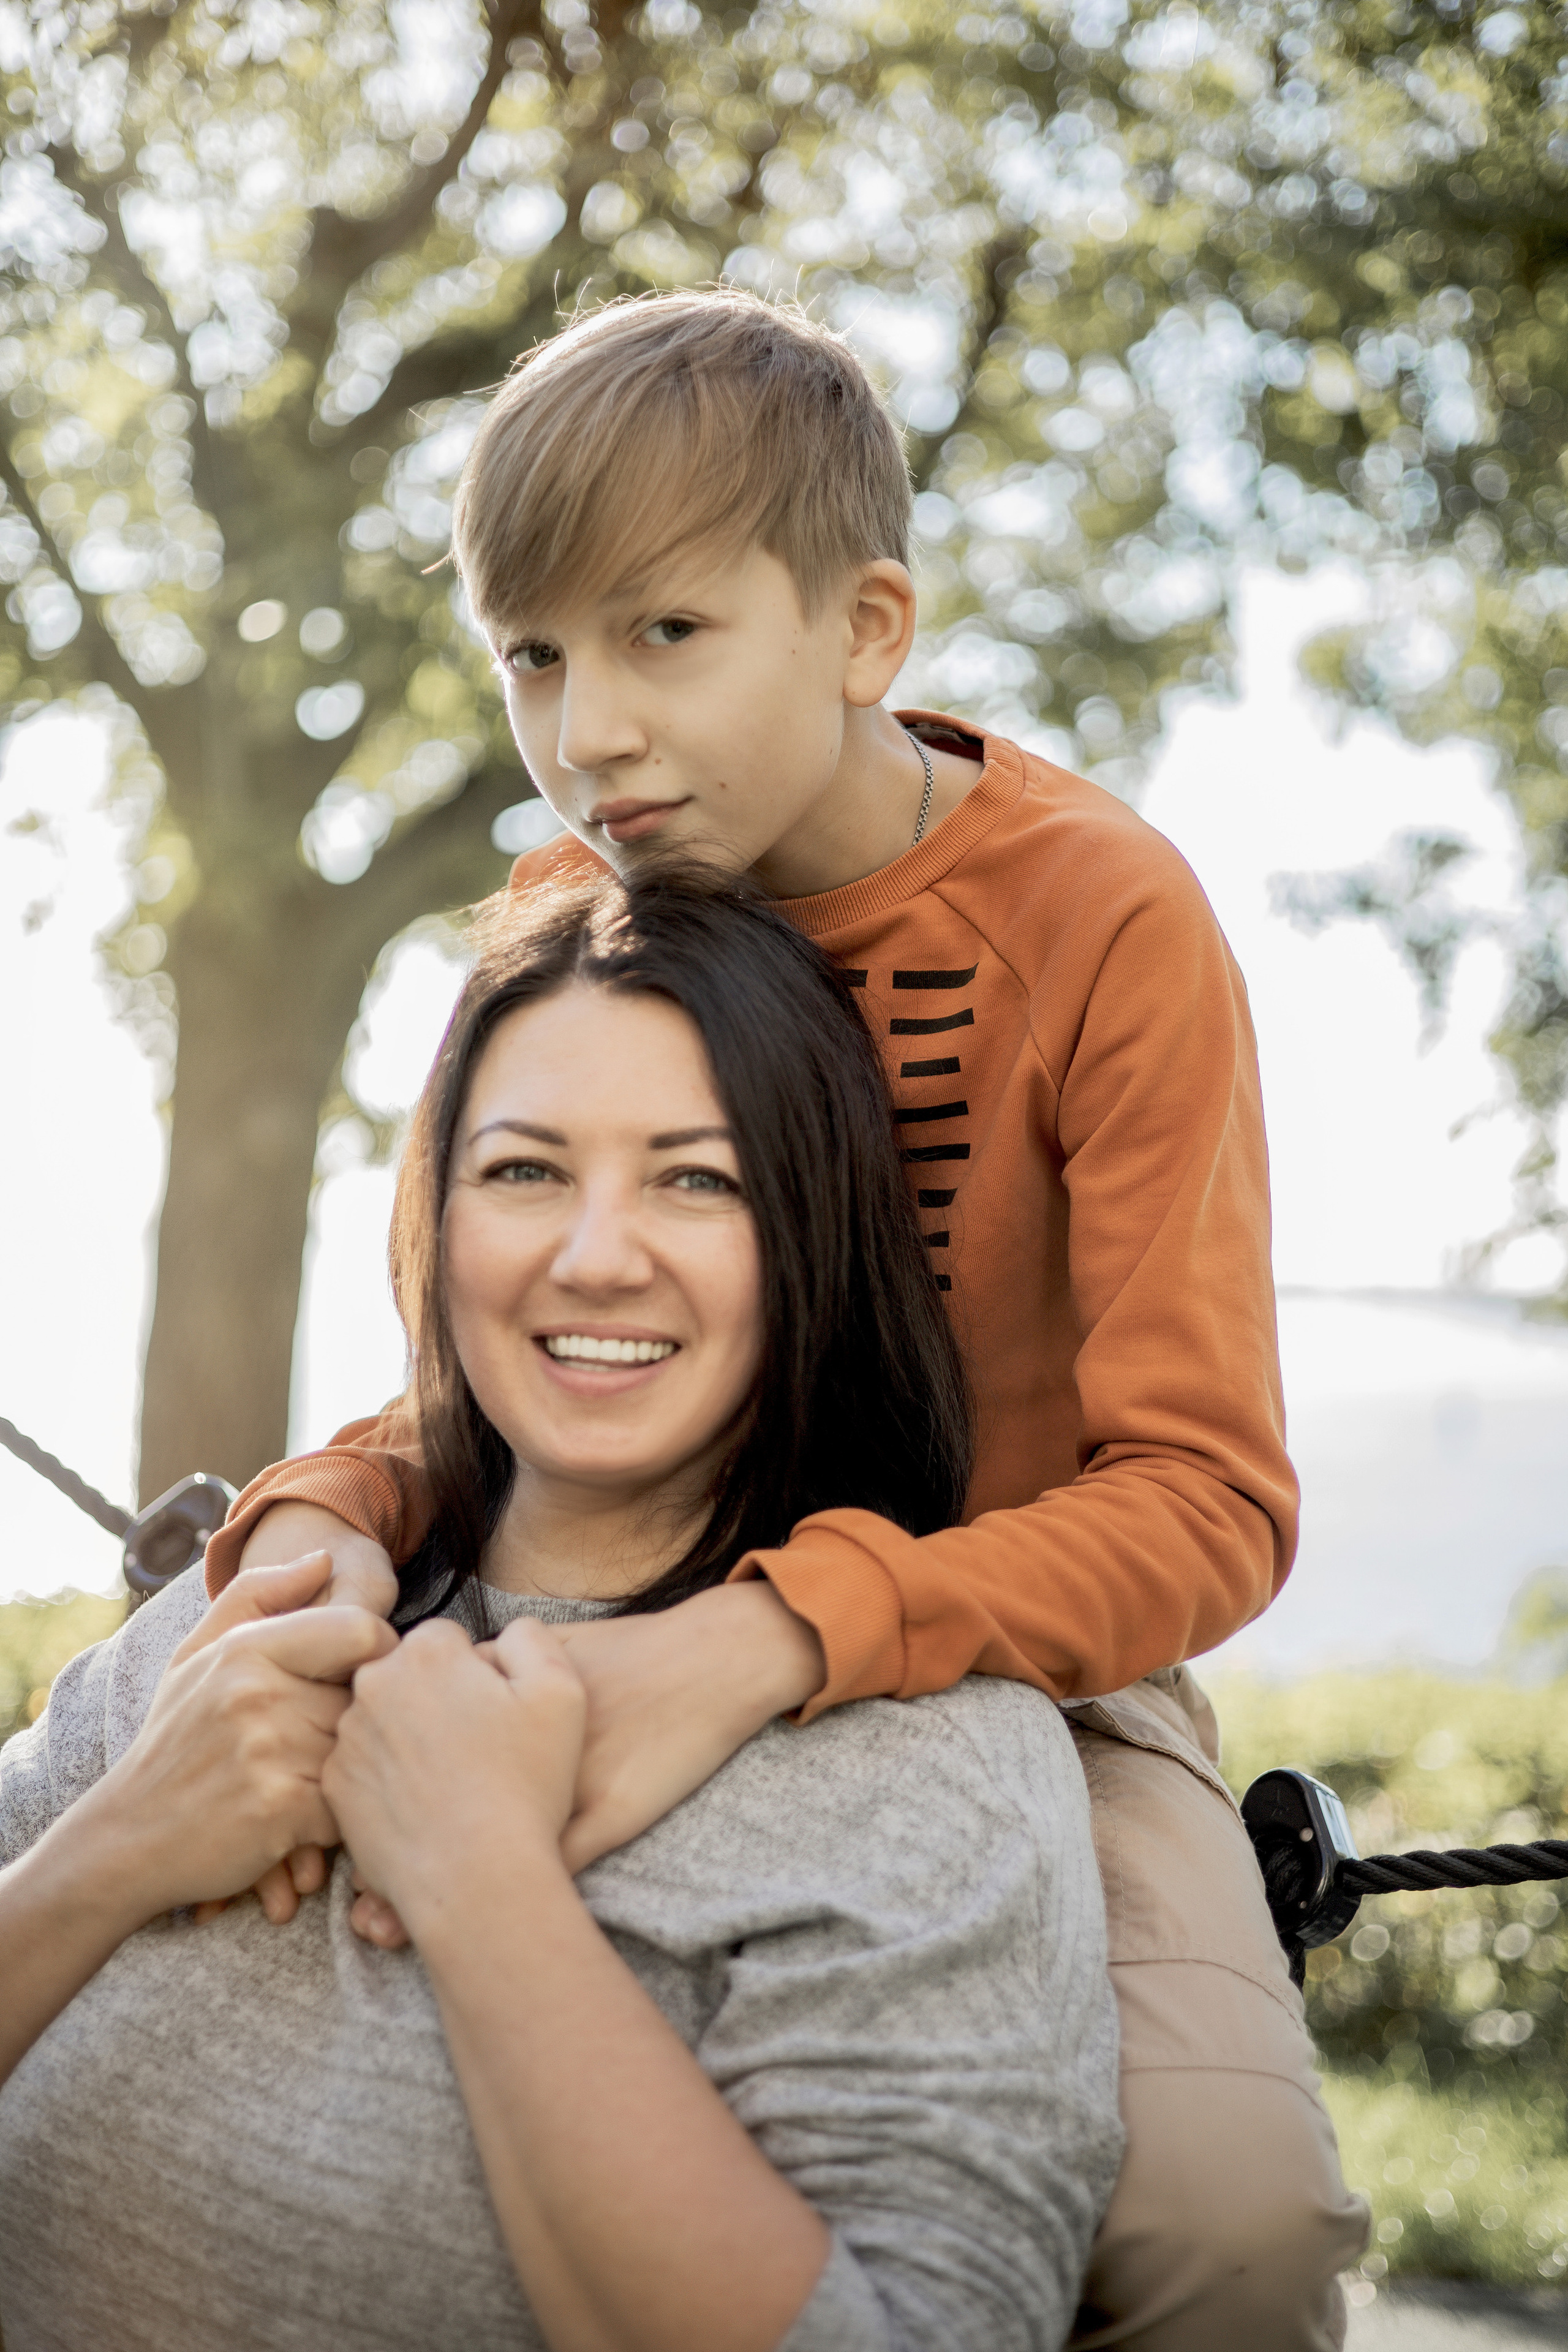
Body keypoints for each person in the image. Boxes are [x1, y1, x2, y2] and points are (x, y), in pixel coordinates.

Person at [206, 290, 1368, 2343]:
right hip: (572, 1600)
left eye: (666, 633)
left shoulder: (1104, 918)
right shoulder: (560, 936)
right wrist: (316, 1521)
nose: (591, 735)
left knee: (1224, 2238)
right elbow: (467, 1400)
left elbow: (1201, 1504)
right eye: (535, 657)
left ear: (864, 630)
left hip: (1018, 1660)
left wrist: (763, 1642)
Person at [0, 874, 1122, 2352]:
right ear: (438, 1218)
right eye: (525, 1172)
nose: (594, 1254)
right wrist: (121, 1839)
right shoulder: (245, 1622)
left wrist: (479, 1882)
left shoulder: (927, 1768)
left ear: (810, 1240)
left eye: (696, 1179)